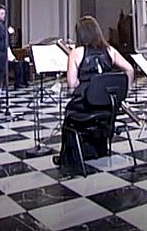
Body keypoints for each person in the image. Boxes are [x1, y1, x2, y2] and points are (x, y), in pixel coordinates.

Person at [57, 15, 135, 169]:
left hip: (85, 106)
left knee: (69, 114)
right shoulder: (110, 50)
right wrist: (124, 91)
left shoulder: (77, 52)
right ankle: (98, 149)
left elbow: (72, 84)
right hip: (108, 108)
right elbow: (129, 69)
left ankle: (71, 157)